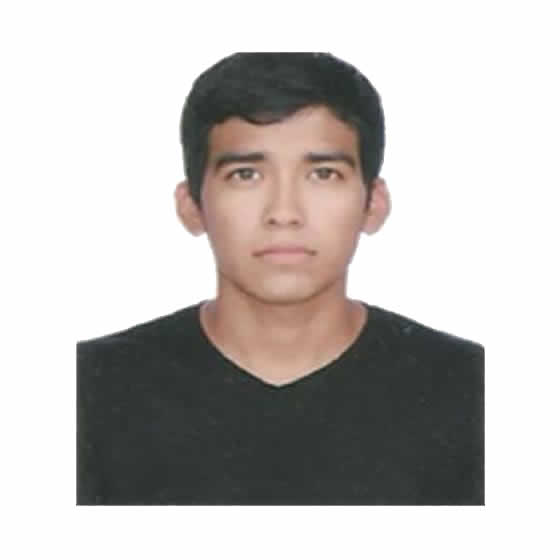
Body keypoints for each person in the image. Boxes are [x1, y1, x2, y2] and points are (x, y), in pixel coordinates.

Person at [77, 52, 484, 505]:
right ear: (191, 206)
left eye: (323, 174)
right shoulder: (88, 390)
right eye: (246, 174)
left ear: (373, 203)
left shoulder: (472, 390)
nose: (284, 213)